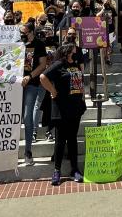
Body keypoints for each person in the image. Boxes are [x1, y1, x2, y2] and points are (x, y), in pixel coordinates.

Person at [39, 43, 86, 185]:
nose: (76, 51)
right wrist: (52, 91)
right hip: (61, 108)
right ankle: (57, 171)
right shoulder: (59, 64)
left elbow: (80, 84)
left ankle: (75, 169)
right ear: (67, 52)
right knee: (60, 141)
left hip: (75, 107)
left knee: (72, 139)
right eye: (74, 50)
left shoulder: (76, 65)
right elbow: (43, 77)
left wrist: (83, 98)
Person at [20, 23, 49, 167]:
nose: (22, 34)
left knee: (27, 115)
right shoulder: (18, 44)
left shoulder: (39, 44)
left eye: (24, 32)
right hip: (17, 84)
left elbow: (42, 65)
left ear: (31, 32)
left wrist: (30, 76)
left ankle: (27, 151)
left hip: (31, 84)